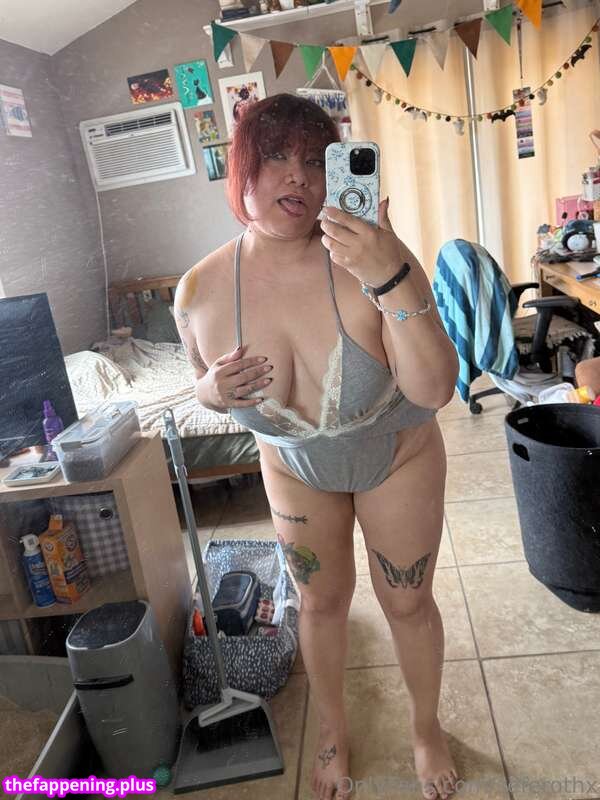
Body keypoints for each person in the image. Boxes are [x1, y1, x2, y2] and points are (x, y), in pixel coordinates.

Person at [174, 93, 460, 800]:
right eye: (275, 157)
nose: (297, 176)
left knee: (407, 603)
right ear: (241, 170)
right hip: (295, 466)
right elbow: (201, 389)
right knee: (320, 603)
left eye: (313, 159)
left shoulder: (372, 257)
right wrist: (210, 391)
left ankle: (426, 729)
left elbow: (434, 389)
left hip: (396, 454)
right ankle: (332, 731)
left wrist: (390, 273)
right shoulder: (199, 290)